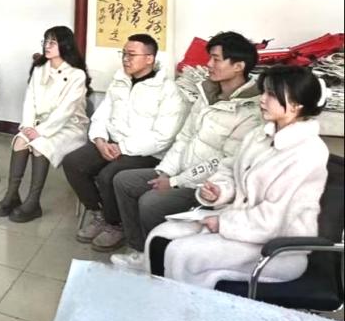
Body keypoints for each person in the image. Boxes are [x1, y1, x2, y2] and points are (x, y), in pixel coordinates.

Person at [144, 66, 329, 289]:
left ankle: (185, 308)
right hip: (241, 228)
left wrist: (223, 223)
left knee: (181, 253)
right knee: (160, 236)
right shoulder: (259, 135)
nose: (262, 99)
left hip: (276, 247)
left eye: (271, 94)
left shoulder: (308, 152)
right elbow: (230, 170)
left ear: (296, 104)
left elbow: (274, 219)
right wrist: (218, 191)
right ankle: (163, 300)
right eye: (264, 91)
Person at [111, 32, 262, 268]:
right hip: (180, 172)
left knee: (151, 202)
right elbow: (184, 138)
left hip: (208, 187)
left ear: (238, 66)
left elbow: (224, 162)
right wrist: (165, 171)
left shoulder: (251, 111)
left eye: (216, 59)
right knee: (124, 181)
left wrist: (174, 182)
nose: (208, 64)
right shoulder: (207, 94)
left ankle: (158, 258)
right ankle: (140, 248)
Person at [61, 33, 188, 248]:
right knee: (73, 162)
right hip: (111, 143)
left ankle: (115, 224)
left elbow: (163, 137)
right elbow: (101, 115)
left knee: (109, 175)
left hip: (146, 152)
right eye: (124, 54)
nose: (125, 59)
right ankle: (98, 213)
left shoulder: (169, 91)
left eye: (131, 55)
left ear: (149, 58)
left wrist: (122, 148)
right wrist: (100, 140)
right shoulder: (119, 81)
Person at [0, 26, 89, 222]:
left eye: (53, 42)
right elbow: (30, 100)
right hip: (37, 124)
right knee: (20, 141)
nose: (47, 46)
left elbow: (66, 110)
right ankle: (12, 195)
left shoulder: (77, 75)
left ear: (65, 45)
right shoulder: (39, 69)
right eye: (46, 41)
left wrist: (41, 131)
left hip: (69, 126)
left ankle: (33, 202)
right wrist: (28, 126)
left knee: (39, 145)